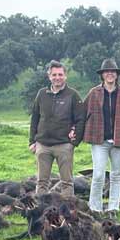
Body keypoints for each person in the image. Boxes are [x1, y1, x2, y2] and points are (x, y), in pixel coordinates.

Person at [83, 59, 120, 217]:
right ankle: (95, 208)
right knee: (98, 174)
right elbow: (82, 112)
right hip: (99, 141)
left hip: (119, 141)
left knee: (116, 175)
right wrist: (76, 130)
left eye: (112, 72)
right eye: (106, 72)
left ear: (116, 75)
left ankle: (113, 208)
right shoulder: (94, 93)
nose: (110, 74)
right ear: (102, 75)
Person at [28, 60, 85, 195]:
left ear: (65, 76)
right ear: (49, 77)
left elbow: (81, 119)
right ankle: (41, 210)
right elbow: (35, 117)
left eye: (60, 74)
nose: (57, 78)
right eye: (54, 75)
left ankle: (67, 211)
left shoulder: (73, 95)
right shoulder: (42, 94)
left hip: (64, 145)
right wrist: (32, 141)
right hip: (43, 145)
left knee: (66, 182)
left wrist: (74, 142)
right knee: (42, 182)